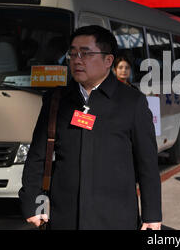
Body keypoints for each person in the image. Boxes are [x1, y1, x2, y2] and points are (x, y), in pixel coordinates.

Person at [19, 25, 162, 229]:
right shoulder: (56, 100)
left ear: (108, 60)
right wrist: (32, 202)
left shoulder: (132, 102)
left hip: (115, 218)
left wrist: (152, 214)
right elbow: (37, 157)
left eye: (85, 53)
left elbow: (147, 164)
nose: (77, 59)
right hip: (63, 217)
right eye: (73, 53)